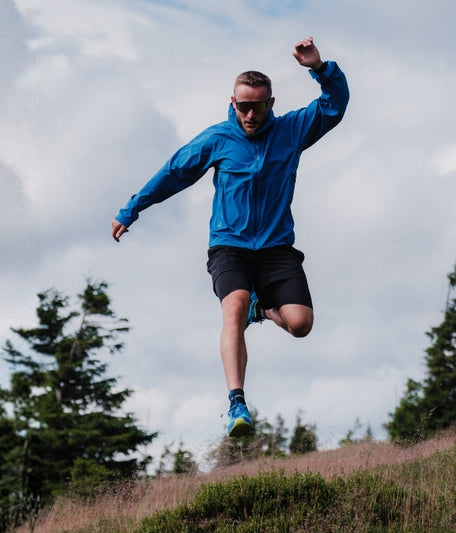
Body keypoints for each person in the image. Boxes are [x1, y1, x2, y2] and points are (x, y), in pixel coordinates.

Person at [112, 37, 349, 437]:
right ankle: (237, 402)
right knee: (233, 307)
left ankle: (263, 308)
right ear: (233, 102)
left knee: (301, 323)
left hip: (276, 249)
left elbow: (334, 105)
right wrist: (132, 208)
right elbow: (174, 172)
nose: (251, 114)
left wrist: (320, 68)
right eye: (243, 106)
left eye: (259, 106)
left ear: (271, 103)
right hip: (230, 248)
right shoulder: (218, 139)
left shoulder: (292, 130)